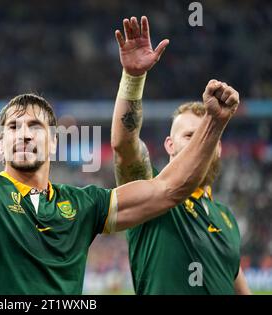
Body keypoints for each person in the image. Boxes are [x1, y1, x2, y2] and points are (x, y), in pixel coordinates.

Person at [0, 42, 236, 294]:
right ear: (1, 143)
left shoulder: (84, 205)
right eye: (12, 127)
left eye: (35, 126)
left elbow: (168, 188)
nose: (23, 135)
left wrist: (214, 123)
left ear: (54, 142)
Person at [111, 16, 250, 294]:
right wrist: (134, 78)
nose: (200, 143)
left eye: (207, 136)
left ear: (218, 147)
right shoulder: (152, 198)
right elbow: (124, 146)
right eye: (189, 136)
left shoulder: (226, 219)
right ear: (169, 145)